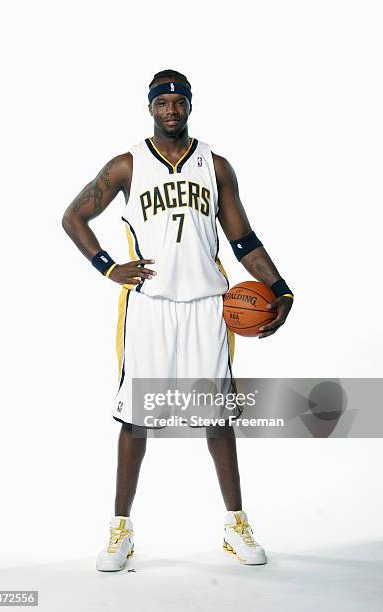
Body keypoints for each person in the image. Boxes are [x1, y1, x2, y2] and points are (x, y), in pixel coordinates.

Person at [62, 69, 293, 571]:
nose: (171, 109)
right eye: (162, 102)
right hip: (150, 305)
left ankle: (235, 525)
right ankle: (120, 531)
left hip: (209, 305)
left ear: (190, 105)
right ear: (150, 107)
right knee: (135, 420)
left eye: (179, 101)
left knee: (218, 419)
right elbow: (73, 217)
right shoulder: (126, 165)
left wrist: (280, 287)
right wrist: (108, 267)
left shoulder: (216, 165)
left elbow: (243, 240)